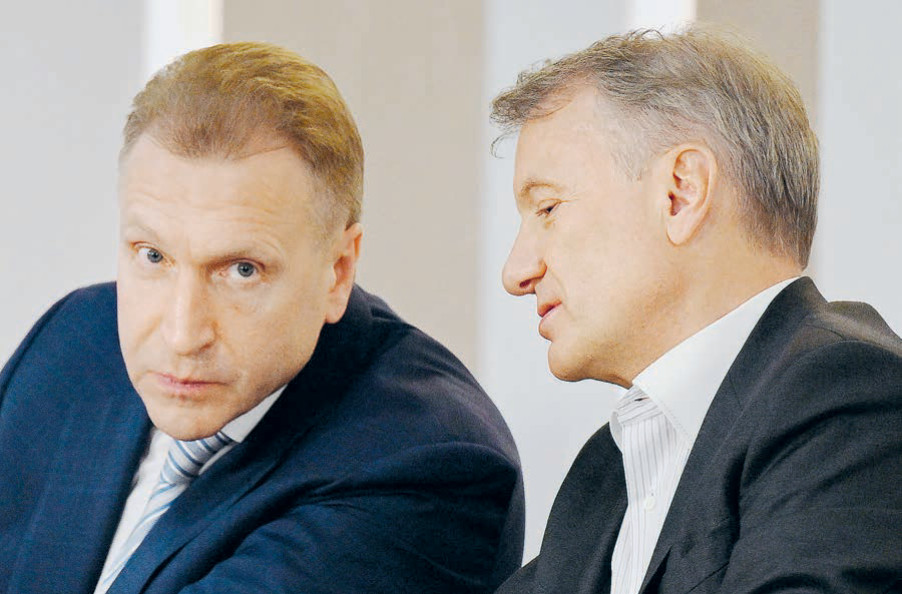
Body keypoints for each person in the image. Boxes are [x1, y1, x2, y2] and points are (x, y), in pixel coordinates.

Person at [0, 42, 524, 594]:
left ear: (337, 271)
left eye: (242, 270)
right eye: (153, 256)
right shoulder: (76, 340)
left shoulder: (425, 468)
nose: (181, 334)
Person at [491, 26, 902, 594]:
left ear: (681, 193)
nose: (515, 272)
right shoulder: (606, 471)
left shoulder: (849, 399)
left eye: (548, 208)